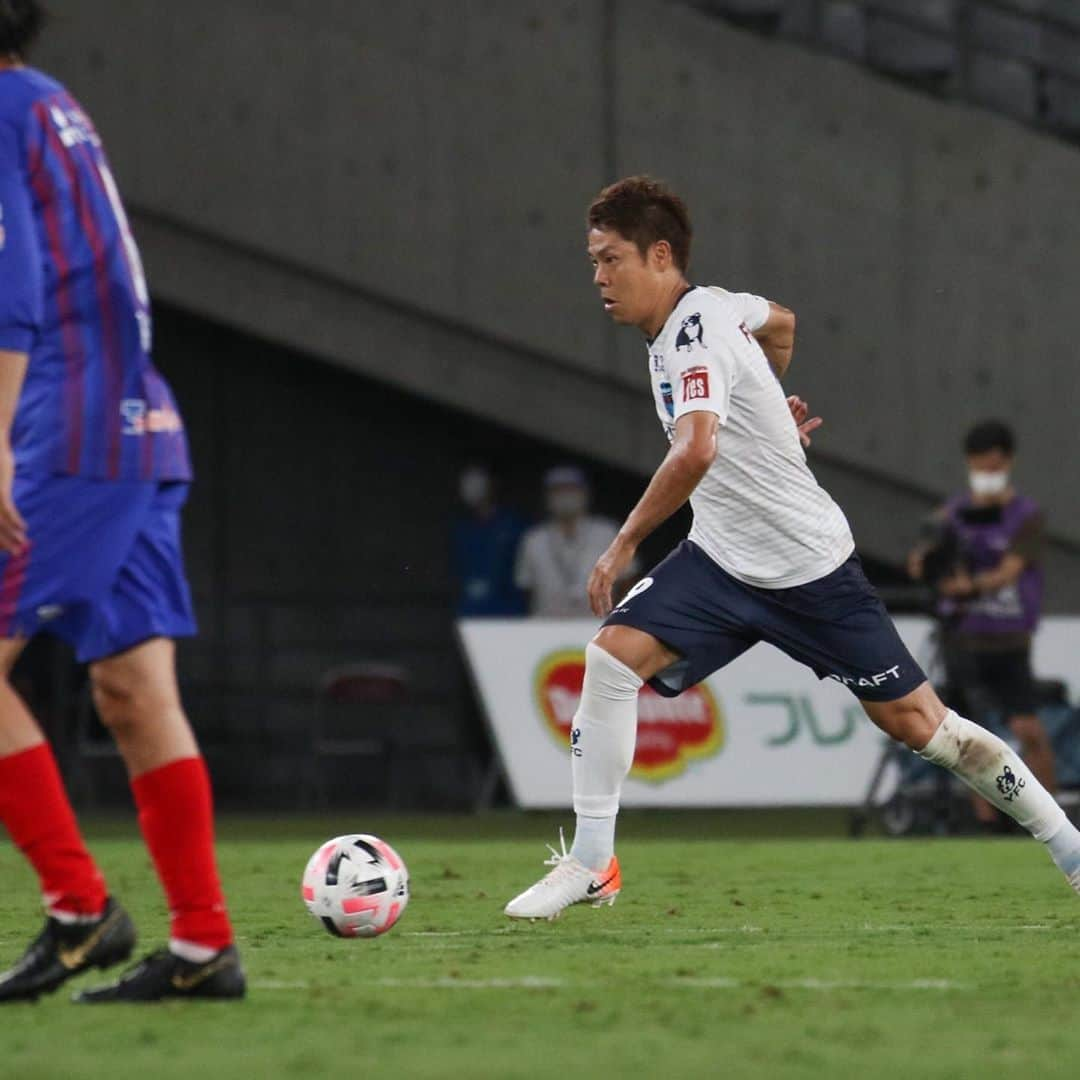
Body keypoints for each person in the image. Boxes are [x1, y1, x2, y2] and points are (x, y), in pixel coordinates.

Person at [504, 175, 1080, 919]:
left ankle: (1068, 845)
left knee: (922, 729)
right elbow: (781, 323)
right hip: (719, 561)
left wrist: (620, 546)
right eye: (593, 262)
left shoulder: (691, 334)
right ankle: (592, 863)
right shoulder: (714, 309)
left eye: (610, 260)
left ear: (658, 255)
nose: (598, 278)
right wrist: (767, 405)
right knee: (611, 660)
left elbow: (696, 452)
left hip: (811, 570)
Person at [0, 2, 244, 1000]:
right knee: (135, 693)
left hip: (68, 428)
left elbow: (14, 288)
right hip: (136, 418)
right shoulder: (52, 103)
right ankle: (202, 946)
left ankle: (79, 909)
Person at [908, 420, 1056, 827]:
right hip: (962, 638)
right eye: (978, 466)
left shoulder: (1025, 516)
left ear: (1007, 462)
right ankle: (986, 825)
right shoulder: (953, 515)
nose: (985, 475)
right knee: (971, 738)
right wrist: (929, 563)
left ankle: (1050, 819)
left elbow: (1011, 570)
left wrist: (967, 587)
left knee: (1028, 729)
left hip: (1008, 639)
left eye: (992, 466)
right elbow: (922, 558)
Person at [514, 465, 627, 618]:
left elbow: (627, 579)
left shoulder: (606, 532)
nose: (564, 495)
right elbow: (526, 588)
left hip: (597, 624)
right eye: (558, 490)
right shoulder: (534, 539)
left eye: (570, 489)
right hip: (546, 625)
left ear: (584, 493)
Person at [451, 465, 528, 617]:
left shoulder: (514, 525)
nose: (471, 487)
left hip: (509, 611)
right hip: (470, 611)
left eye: (477, 480)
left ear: (492, 483)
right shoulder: (461, 529)